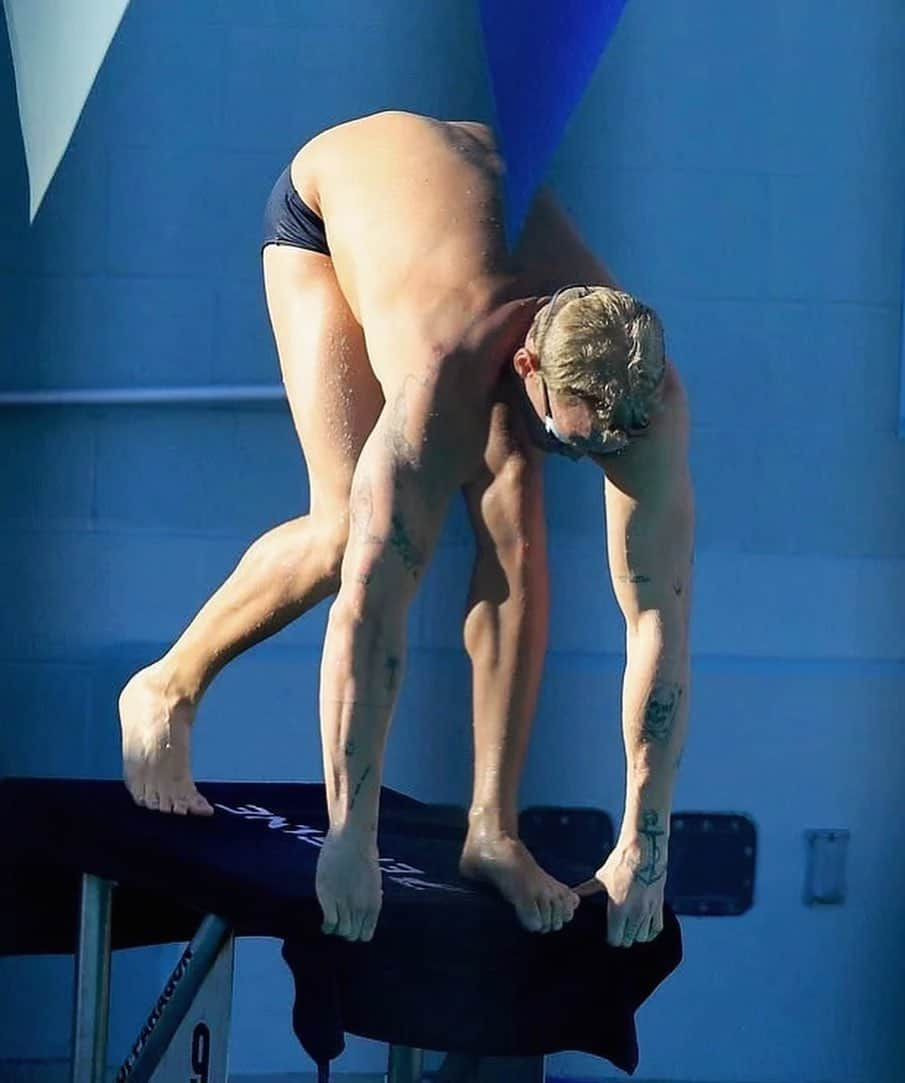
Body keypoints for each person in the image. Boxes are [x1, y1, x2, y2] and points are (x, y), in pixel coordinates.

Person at [119, 110, 694, 950]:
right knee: (342, 533)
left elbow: (658, 623)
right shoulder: (438, 375)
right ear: (526, 367)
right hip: (334, 205)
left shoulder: (644, 399)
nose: (590, 462)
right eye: (572, 440)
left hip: (479, 218)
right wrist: (352, 838)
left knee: (521, 535)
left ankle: (490, 830)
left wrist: (644, 848)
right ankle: (166, 685)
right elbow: (368, 614)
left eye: (604, 447)